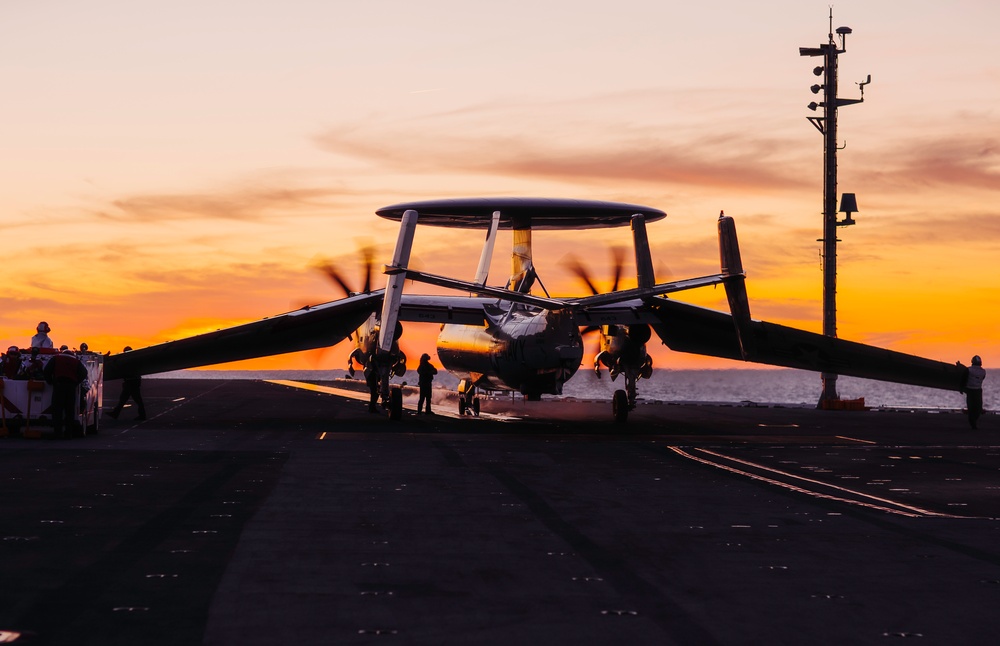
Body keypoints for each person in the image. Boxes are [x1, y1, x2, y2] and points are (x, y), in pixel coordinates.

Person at [42, 347, 87, 439]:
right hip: (71, 387)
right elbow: (84, 372)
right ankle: (68, 433)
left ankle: (57, 432)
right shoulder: (76, 361)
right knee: (69, 410)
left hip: (58, 386)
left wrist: (50, 381)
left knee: (57, 410)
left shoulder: (56, 358)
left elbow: (46, 371)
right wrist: (76, 382)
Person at [107, 346, 146, 421]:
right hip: (132, 383)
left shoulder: (129, 361)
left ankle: (116, 413)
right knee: (126, 400)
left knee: (129, 400)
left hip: (131, 383)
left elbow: (123, 370)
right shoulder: (134, 360)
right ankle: (116, 413)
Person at [962, 355, 987, 429]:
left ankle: (972, 422)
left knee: (971, 406)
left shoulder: (968, 370)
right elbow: (982, 379)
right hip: (978, 390)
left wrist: (961, 388)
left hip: (970, 390)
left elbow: (963, 379)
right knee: (978, 407)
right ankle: (973, 422)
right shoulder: (983, 371)